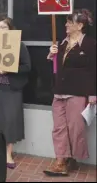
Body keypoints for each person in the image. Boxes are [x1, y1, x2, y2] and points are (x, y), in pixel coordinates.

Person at [44, 9, 96, 176]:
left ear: (80, 25)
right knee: (59, 128)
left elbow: (93, 70)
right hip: (59, 92)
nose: (66, 24)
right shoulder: (61, 44)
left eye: (70, 22)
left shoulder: (89, 44)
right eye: (66, 21)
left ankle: (72, 158)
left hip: (78, 92)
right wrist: (52, 55)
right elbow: (56, 67)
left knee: (75, 128)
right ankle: (60, 160)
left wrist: (93, 94)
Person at [0, 17, 31, 169]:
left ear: (11, 29)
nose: (0, 29)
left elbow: (27, 67)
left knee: (10, 122)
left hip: (11, 89)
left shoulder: (19, 45)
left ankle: (8, 154)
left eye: (4, 27)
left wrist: (9, 69)